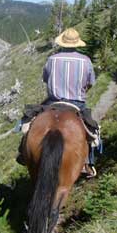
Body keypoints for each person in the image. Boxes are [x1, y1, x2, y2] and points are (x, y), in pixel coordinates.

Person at [16, 28, 100, 176]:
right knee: (93, 130)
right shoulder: (86, 61)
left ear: (63, 43)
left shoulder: (52, 59)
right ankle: (88, 163)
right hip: (77, 103)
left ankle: (23, 154)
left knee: (27, 122)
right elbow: (90, 83)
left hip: (53, 101)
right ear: (77, 44)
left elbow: (45, 79)